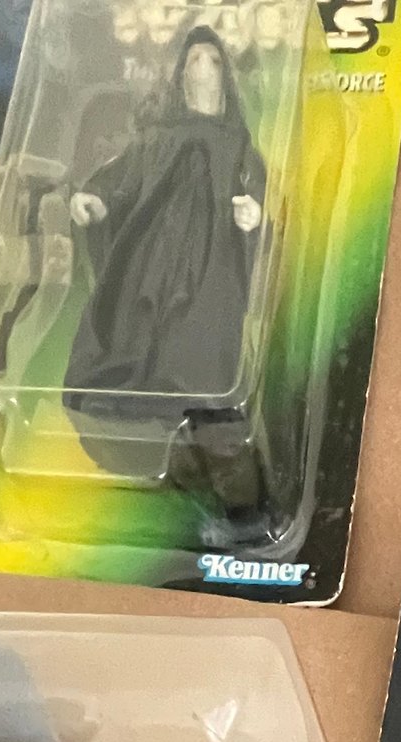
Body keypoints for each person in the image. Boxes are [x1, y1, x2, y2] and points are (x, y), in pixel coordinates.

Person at [64, 23, 266, 448]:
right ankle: (125, 389)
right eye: (194, 60)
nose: (204, 68)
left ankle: (193, 402)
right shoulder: (155, 138)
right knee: (136, 315)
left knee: (195, 329)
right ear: (180, 73)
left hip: (211, 257)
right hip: (151, 252)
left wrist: (253, 216)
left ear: (227, 75)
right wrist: (95, 199)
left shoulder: (240, 146)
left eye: (214, 60)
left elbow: (258, 193)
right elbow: (123, 180)